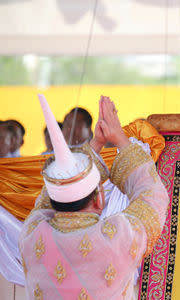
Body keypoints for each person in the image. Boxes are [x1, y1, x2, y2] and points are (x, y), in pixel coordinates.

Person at [19, 95, 169, 299]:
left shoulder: (31, 234)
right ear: (100, 199)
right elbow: (153, 196)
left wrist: (96, 144)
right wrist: (119, 138)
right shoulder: (117, 236)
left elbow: (47, 200)